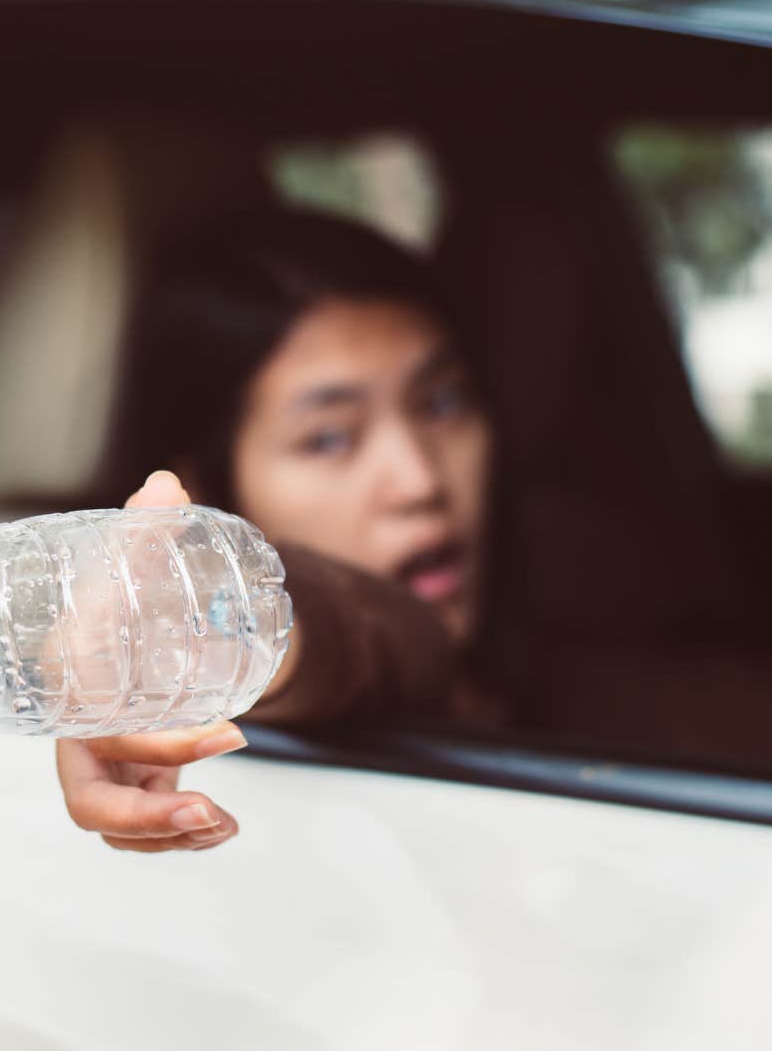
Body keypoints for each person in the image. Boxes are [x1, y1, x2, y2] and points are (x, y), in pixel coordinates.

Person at [56, 210, 498, 853]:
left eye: (442, 402)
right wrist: (209, 628)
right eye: (328, 438)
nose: (419, 481)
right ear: (197, 495)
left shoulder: (632, 662)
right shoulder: (346, 657)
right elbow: (367, 637)